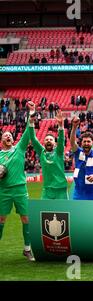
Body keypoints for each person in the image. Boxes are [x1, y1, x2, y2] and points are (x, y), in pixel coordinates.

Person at [0, 101, 34, 261]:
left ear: (13, 139)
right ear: (1, 140)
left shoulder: (19, 148)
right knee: (1, 219)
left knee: (26, 218)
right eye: (5, 135)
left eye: (10, 135)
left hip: (20, 189)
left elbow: (28, 131)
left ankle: (27, 249)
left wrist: (32, 112)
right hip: (3, 190)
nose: (8, 136)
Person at [30, 110, 68, 199]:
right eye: (47, 140)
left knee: (63, 212)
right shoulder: (41, 152)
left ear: (55, 143)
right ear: (43, 142)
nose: (48, 141)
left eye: (51, 140)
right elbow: (34, 139)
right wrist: (31, 123)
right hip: (47, 189)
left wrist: (61, 126)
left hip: (61, 189)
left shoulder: (58, 152)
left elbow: (61, 139)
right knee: (43, 212)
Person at [70, 115, 93, 200]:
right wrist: (74, 127)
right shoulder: (78, 153)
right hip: (78, 194)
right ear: (81, 143)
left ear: (92, 142)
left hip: (92, 195)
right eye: (84, 141)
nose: (86, 143)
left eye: (88, 141)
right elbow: (72, 142)